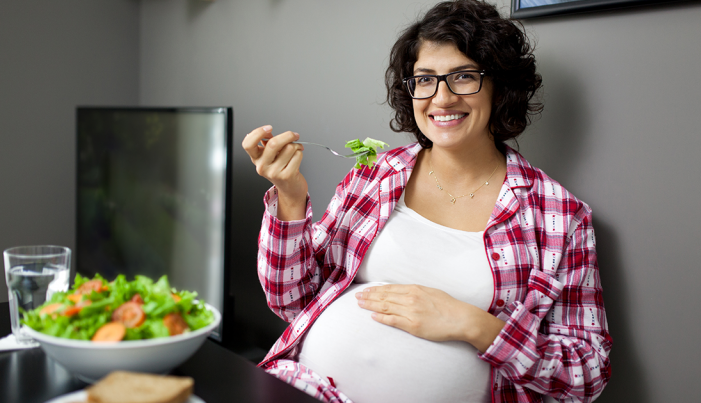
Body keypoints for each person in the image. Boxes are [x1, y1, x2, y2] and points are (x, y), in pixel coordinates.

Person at [241, 1, 611, 402]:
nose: (442, 98)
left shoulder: (560, 216)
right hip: (305, 388)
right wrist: (290, 197)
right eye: (425, 79)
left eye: (464, 76)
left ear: (500, 87)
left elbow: (587, 373)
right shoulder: (373, 175)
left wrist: (475, 325)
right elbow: (291, 300)